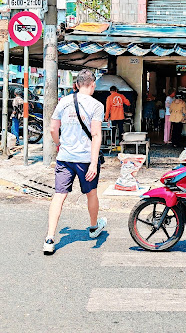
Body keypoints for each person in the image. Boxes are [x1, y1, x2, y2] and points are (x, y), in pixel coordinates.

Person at [44, 69, 106, 255]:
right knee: (91, 193)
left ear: (77, 85)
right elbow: (96, 135)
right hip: (85, 160)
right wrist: (94, 163)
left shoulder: (63, 102)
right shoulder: (96, 105)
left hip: (64, 158)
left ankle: (49, 238)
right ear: (93, 85)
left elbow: (53, 128)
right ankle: (94, 227)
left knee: (59, 195)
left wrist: (58, 144)